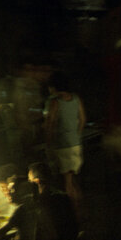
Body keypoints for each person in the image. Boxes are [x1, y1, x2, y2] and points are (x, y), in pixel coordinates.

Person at [44, 72, 85, 208]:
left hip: (62, 145)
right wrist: (76, 134)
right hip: (76, 144)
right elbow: (83, 119)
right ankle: (79, 210)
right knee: (73, 180)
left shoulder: (55, 101)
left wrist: (49, 142)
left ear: (53, 86)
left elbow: (50, 123)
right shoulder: (76, 99)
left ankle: (72, 210)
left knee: (66, 182)